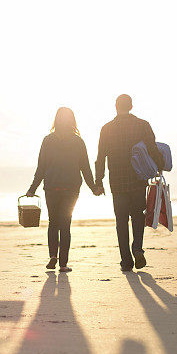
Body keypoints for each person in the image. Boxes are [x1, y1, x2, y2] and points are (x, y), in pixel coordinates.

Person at [26, 107, 101, 272]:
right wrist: (94, 187)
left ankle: (53, 255)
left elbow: (41, 167)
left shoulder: (48, 140)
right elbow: (85, 168)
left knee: (53, 222)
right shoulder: (78, 141)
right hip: (71, 188)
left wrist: (32, 189)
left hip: (52, 187)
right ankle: (63, 263)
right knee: (65, 224)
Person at [95, 94, 163, 271]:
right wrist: (161, 165)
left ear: (116, 106)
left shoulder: (107, 129)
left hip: (117, 181)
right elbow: (153, 149)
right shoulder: (142, 125)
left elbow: (100, 156)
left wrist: (98, 180)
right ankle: (138, 248)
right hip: (138, 179)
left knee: (121, 220)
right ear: (131, 106)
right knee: (138, 216)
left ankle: (126, 260)